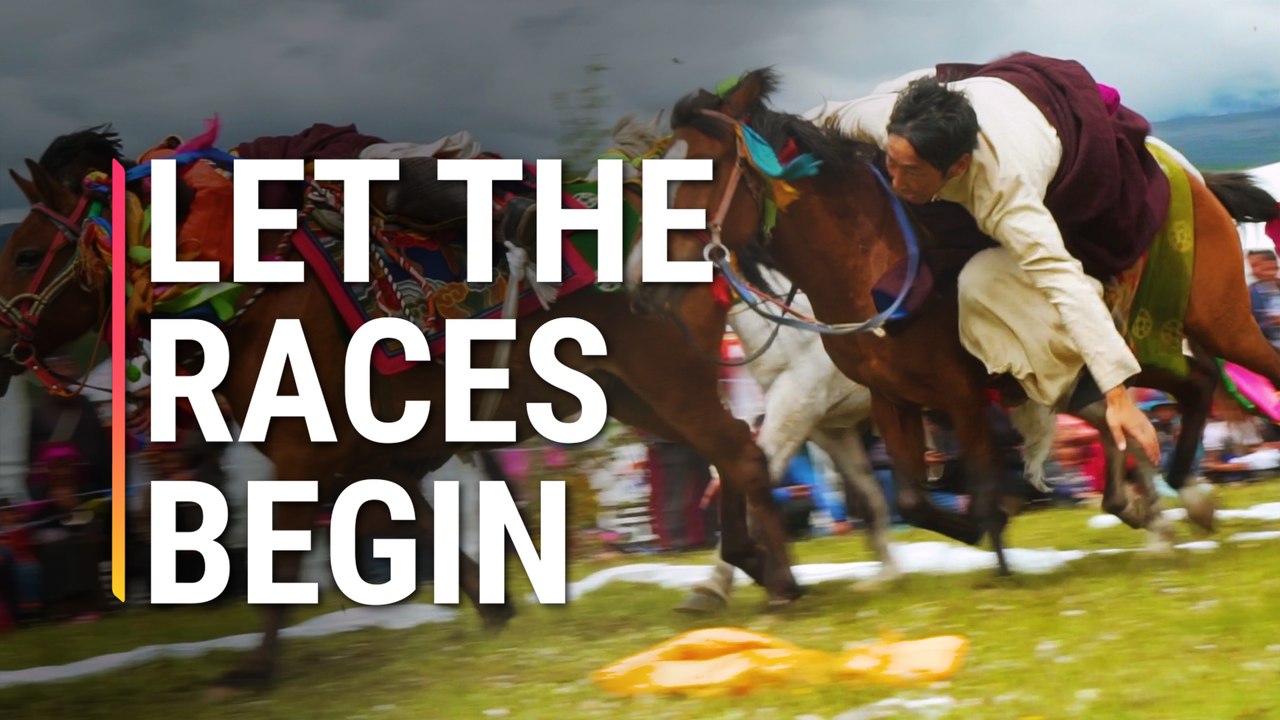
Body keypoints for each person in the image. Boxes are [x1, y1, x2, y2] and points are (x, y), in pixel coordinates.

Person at [807, 52, 1166, 466]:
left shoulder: (1007, 193)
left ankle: (1054, 371)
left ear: (958, 166)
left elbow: (1063, 283)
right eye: (892, 163)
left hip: (1052, 130)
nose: (897, 181)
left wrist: (1117, 396)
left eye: (912, 171)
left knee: (980, 280)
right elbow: (824, 116)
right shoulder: (882, 120)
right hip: (966, 92)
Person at [1247, 250, 1280, 351]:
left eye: (1259, 265)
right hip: (1269, 350)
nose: (1255, 271)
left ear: (1274, 265)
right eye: (1253, 266)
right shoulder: (1250, 293)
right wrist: (1269, 322)